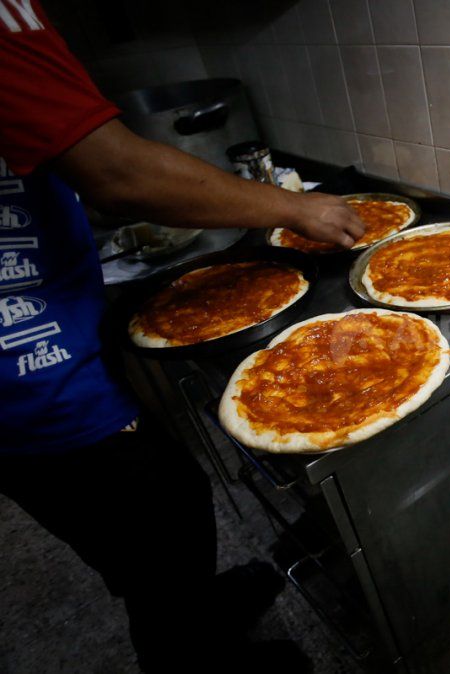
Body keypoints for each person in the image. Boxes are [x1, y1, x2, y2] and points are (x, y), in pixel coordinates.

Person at [0, 1, 363, 670]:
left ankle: (201, 608)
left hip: (42, 352)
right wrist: (294, 205)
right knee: (152, 539)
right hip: (33, 373)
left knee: (170, 509)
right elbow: (118, 174)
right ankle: (196, 652)